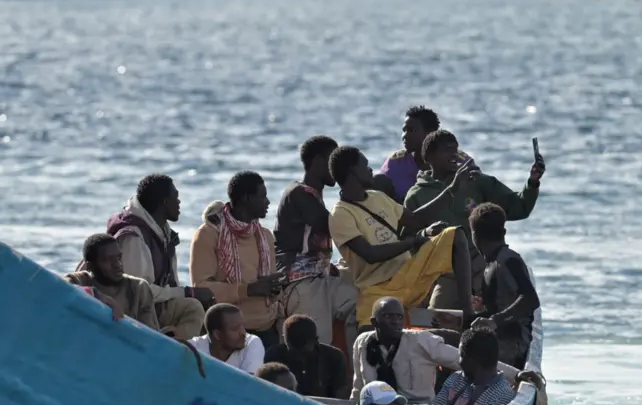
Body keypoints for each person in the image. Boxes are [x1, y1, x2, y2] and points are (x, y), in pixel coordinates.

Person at [327, 145, 477, 329]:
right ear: (353, 172)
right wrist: (412, 242)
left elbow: (415, 219)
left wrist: (452, 189)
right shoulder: (340, 214)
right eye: (365, 166)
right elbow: (370, 255)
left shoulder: (377, 196)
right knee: (368, 334)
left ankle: (469, 315)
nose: (370, 169)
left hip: (409, 274)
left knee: (455, 235)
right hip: (377, 288)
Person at [404, 129, 545, 310]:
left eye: (456, 149)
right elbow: (408, 240)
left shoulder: (475, 181)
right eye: (447, 150)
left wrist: (532, 182)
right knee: (437, 316)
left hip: (483, 264)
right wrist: (426, 234)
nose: (454, 155)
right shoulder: (417, 195)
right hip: (446, 272)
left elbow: (518, 208)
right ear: (429, 156)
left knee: (501, 308)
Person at [273, 135, 359, 345]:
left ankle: (353, 369)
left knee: (363, 301)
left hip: (319, 280)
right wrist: (353, 187)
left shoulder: (313, 194)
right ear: (319, 162)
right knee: (317, 348)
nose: (337, 168)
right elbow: (332, 226)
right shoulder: (299, 193)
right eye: (333, 161)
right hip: (302, 285)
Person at [104, 174, 210, 340]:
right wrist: (187, 293)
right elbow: (137, 290)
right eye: (176, 197)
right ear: (165, 202)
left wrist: (188, 293)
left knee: (210, 312)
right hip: (132, 310)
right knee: (193, 307)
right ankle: (170, 354)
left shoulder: (162, 232)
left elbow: (168, 284)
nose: (179, 202)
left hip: (153, 305)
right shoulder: (134, 238)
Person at [351, 297, 519, 401]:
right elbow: (358, 387)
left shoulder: (420, 341)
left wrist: (516, 375)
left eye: (399, 317)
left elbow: (465, 360)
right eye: (388, 316)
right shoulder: (362, 343)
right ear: (374, 322)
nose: (396, 322)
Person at [190, 171, 287, 349]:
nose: (268, 202)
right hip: (229, 336)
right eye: (262, 196)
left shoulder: (265, 236)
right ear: (247, 199)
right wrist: (248, 290)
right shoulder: (209, 234)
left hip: (268, 329)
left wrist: (275, 288)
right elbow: (201, 289)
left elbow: (272, 290)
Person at [469, 203, 539, 368]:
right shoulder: (492, 263)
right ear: (504, 232)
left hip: (513, 344)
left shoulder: (509, 260)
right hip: (497, 338)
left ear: (475, 236)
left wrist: (495, 320)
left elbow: (530, 299)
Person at [378, 106, 477, 201]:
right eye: (404, 130)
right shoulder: (395, 163)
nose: (405, 136)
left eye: (411, 130)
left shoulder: (459, 160)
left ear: (431, 133)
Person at [65, 234, 159, 330]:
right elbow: (56, 290)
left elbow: (151, 336)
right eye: (109, 260)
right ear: (90, 266)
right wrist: (96, 295)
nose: (118, 265)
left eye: (119, 258)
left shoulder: (139, 288)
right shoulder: (80, 280)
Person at [264, 315, 349, 398]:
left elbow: (340, 399)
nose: (299, 357)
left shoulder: (334, 358)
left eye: (304, 352)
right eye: (294, 352)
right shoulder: (273, 356)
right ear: (285, 340)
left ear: (316, 340)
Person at [435, 327, 517, 405]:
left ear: (470, 361)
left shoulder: (503, 397)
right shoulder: (455, 379)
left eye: (460, 356)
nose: (459, 361)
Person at [187, 303, 265, 374]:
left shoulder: (252, 342)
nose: (243, 333)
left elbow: (250, 384)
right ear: (217, 334)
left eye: (242, 326)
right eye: (235, 329)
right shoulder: (192, 348)